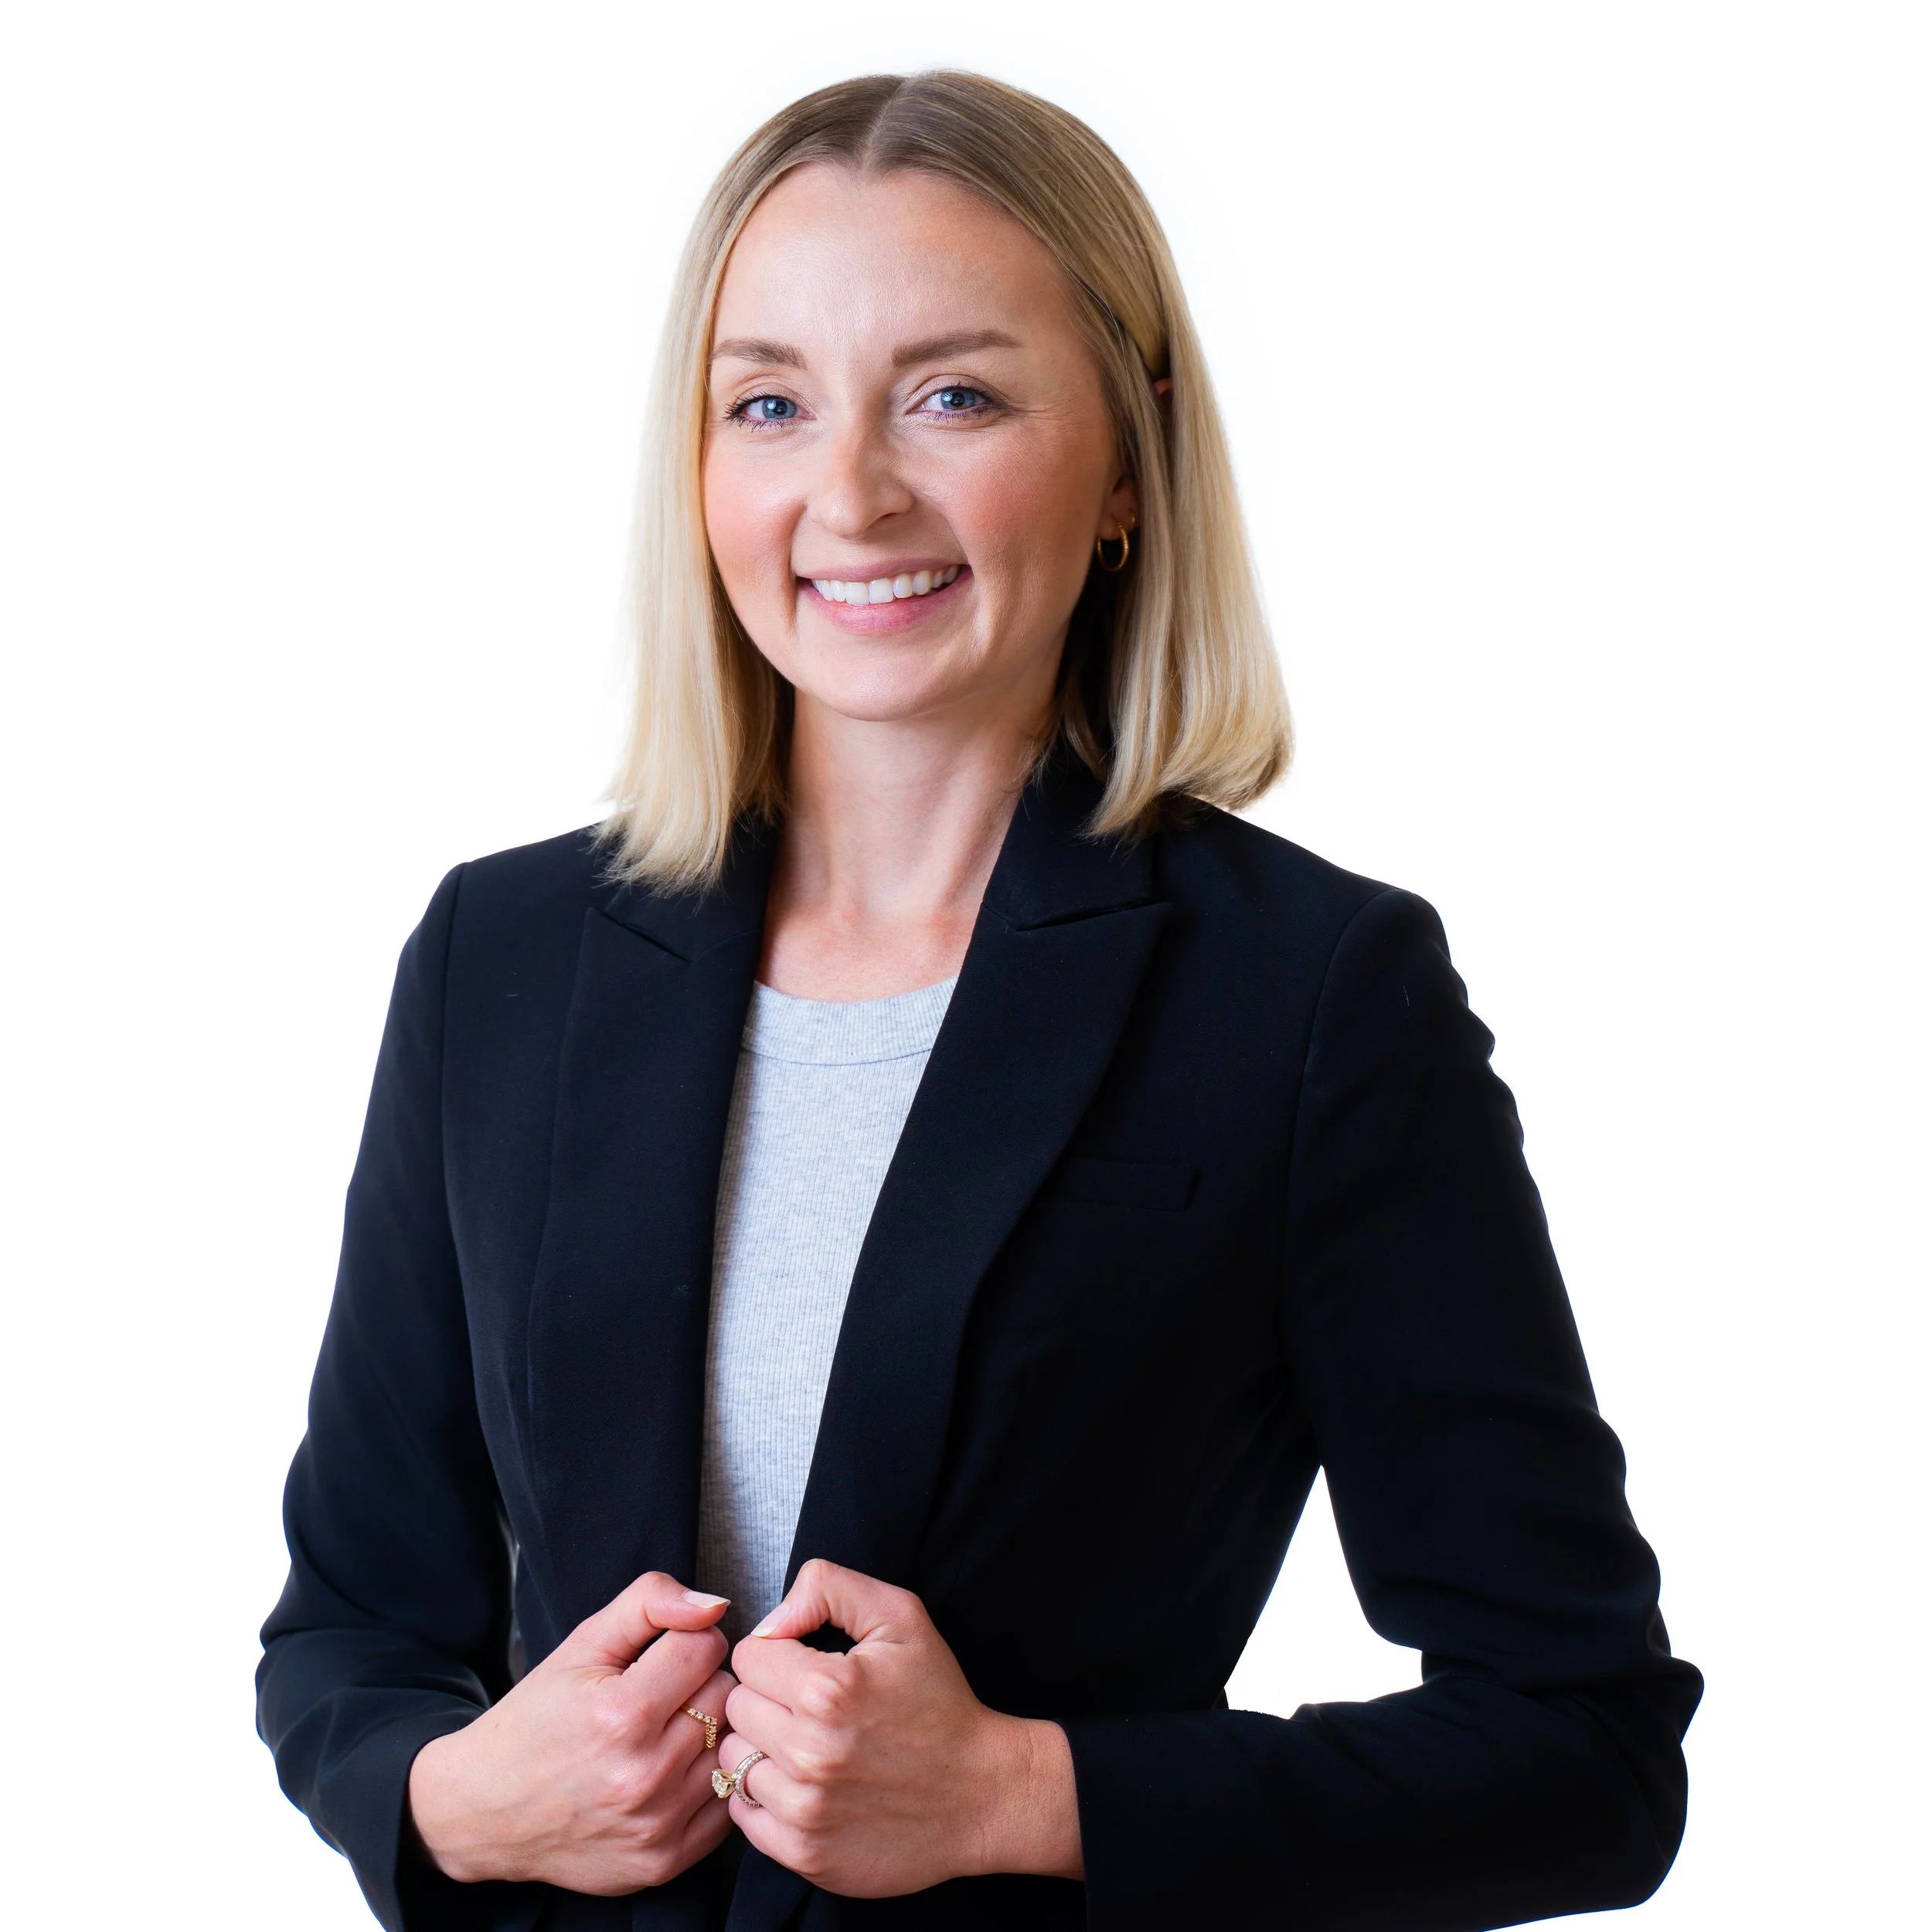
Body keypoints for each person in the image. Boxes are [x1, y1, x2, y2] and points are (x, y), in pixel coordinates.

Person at [258, 69, 1701, 1932]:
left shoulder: (1309, 997)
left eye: (951, 395)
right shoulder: (500, 955)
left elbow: (1582, 1749)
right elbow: (350, 1626)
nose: (849, 492)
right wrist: (449, 1794)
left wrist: (1026, 1792)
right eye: (768, 402)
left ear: (1126, 462)